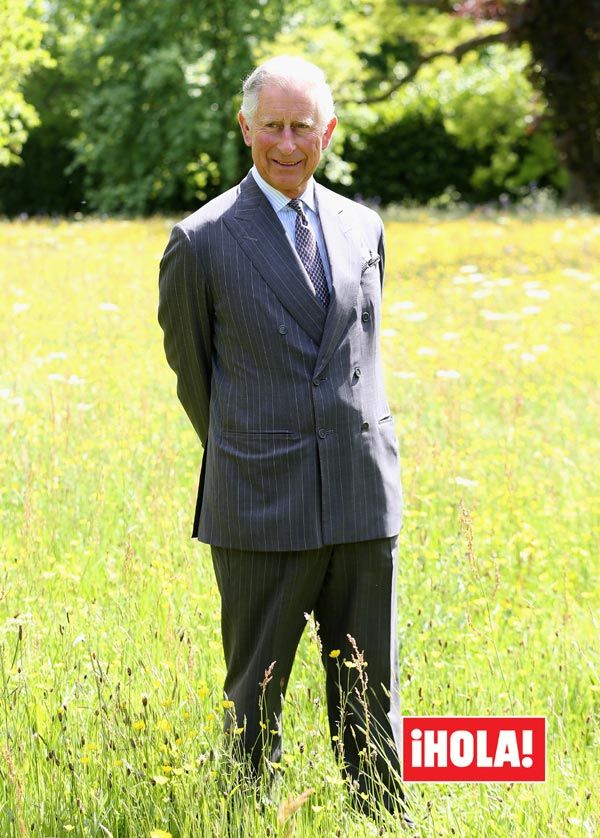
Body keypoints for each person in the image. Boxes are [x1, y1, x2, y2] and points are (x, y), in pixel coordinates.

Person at [158, 56, 406, 817]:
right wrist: (256, 447)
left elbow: (361, 353)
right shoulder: (200, 241)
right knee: (254, 701)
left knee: (372, 691)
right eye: (273, 126)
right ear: (246, 128)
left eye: (303, 126)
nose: (288, 142)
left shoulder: (363, 226)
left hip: (363, 498)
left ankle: (381, 820)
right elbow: (195, 379)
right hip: (260, 501)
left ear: (327, 131)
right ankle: (240, 820)